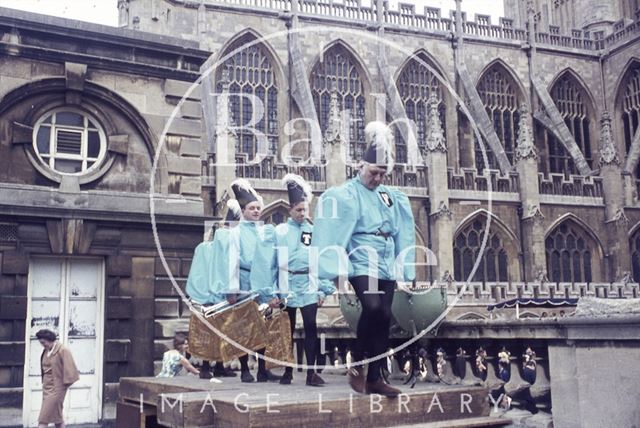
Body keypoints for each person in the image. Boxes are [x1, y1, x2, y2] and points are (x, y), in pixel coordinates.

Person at [311, 121, 416, 397]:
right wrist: (330, 267)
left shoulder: (389, 197)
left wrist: (404, 264)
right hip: (361, 259)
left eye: (383, 174)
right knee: (372, 308)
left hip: (386, 261)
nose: (378, 178)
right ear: (362, 166)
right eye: (374, 172)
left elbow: (402, 229)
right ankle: (357, 363)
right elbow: (332, 224)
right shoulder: (347, 193)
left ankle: (375, 378)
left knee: (384, 317)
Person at [251, 174, 336, 386]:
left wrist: (322, 290)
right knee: (286, 331)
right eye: (298, 210)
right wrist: (271, 293)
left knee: (310, 327)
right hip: (286, 284)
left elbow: (321, 263)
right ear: (290, 210)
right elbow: (270, 263)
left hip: (309, 284)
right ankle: (288, 371)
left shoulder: (314, 232)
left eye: (305, 209)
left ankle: (310, 374)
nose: (302, 213)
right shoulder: (279, 232)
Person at [221, 178, 281, 383]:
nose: (256, 211)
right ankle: (245, 368)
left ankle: (263, 368)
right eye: (251, 208)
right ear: (244, 211)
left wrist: (273, 292)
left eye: (258, 208)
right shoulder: (235, 233)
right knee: (243, 328)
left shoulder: (265, 233)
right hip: (244, 282)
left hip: (262, 285)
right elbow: (231, 262)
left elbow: (270, 263)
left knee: (264, 327)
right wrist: (232, 289)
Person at [185, 199, 240, 379]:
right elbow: (198, 272)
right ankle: (205, 366)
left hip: (223, 297)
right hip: (208, 296)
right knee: (207, 332)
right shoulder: (204, 248)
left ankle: (219, 365)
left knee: (224, 332)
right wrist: (200, 295)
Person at [35, 329, 80, 428]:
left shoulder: (63, 350)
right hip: (47, 389)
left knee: (43, 420)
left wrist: (61, 389)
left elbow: (71, 371)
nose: (43, 345)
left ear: (50, 339)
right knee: (58, 420)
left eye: (43, 342)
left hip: (56, 390)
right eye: (41, 343)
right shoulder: (46, 350)